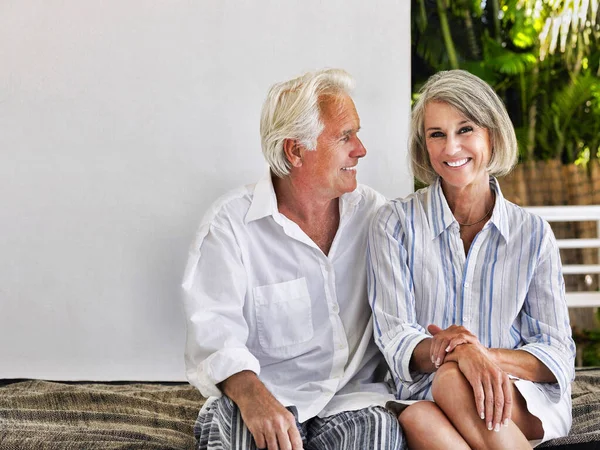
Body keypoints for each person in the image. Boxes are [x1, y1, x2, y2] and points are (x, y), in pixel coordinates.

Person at [182, 68, 403, 450]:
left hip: (352, 399)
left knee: (382, 435)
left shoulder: (374, 215)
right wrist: (254, 400)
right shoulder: (231, 225)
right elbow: (214, 338)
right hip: (264, 395)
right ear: (295, 150)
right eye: (345, 136)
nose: (361, 149)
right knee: (236, 438)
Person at [367, 69, 575, 449]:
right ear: (424, 146)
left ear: (491, 137)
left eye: (465, 130)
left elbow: (556, 352)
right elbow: (395, 337)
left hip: (517, 395)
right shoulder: (393, 225)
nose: (451, 148)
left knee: (452, 380)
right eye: (437, 134)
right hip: (424, 391)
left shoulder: (532, 234)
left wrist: (477, 356)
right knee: (418, 417)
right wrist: (458, 354)